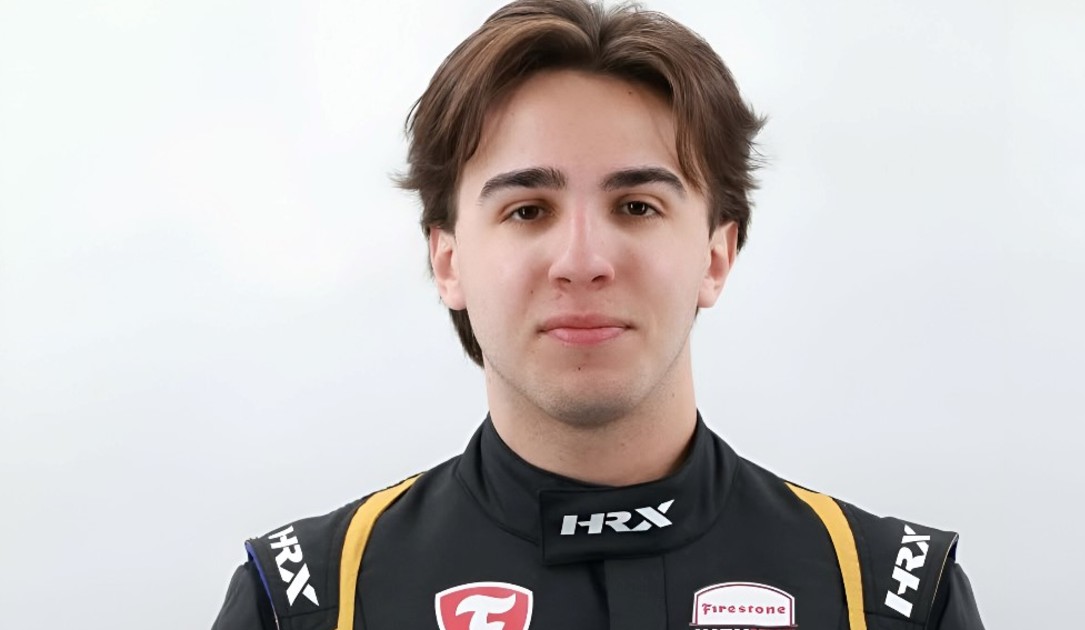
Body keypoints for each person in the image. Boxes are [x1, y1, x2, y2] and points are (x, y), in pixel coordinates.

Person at [211, 1, 985, 628]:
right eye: (527, 210)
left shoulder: (889, 597)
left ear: (716, 256)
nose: (582, 260)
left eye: (637, 205)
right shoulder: (312, 601)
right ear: (449, 262)